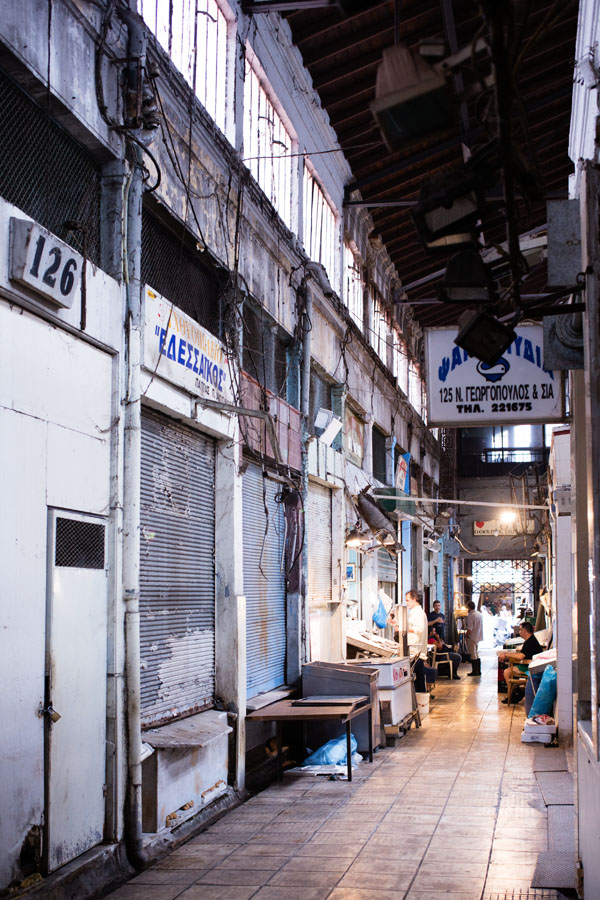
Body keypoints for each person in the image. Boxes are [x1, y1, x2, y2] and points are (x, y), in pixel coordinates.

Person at [498, 621, 543, 703]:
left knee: (507, 672)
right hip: (530, 664)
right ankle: (517, 691)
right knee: (510, 669)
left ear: (524, 631)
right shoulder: (530, 640)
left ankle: (513, 695)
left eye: (520, 630)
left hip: (530, 667)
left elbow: (521, 656)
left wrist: (506, 655)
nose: (519, 632)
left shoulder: (530, 642)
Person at [406, 589, 437, 693]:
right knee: (418, 678)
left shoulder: (418, 613)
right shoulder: (415, 612)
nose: (406, 603)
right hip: (416, 649)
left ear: (414, 599)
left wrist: (403, 628)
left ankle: (420, 701)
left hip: (416, 649)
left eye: (408, 600)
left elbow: (419, 629)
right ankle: (420, 701)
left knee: (418, 679)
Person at [465, 599, 483, 676]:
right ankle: (478, 670)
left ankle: (475, 671)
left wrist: (466, 635)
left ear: (468, 607)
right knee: (476, 653)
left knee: (473, 654)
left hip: (472, 637)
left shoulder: (471, 616)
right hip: (478, 636)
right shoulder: (479, 614)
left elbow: (470, 628)